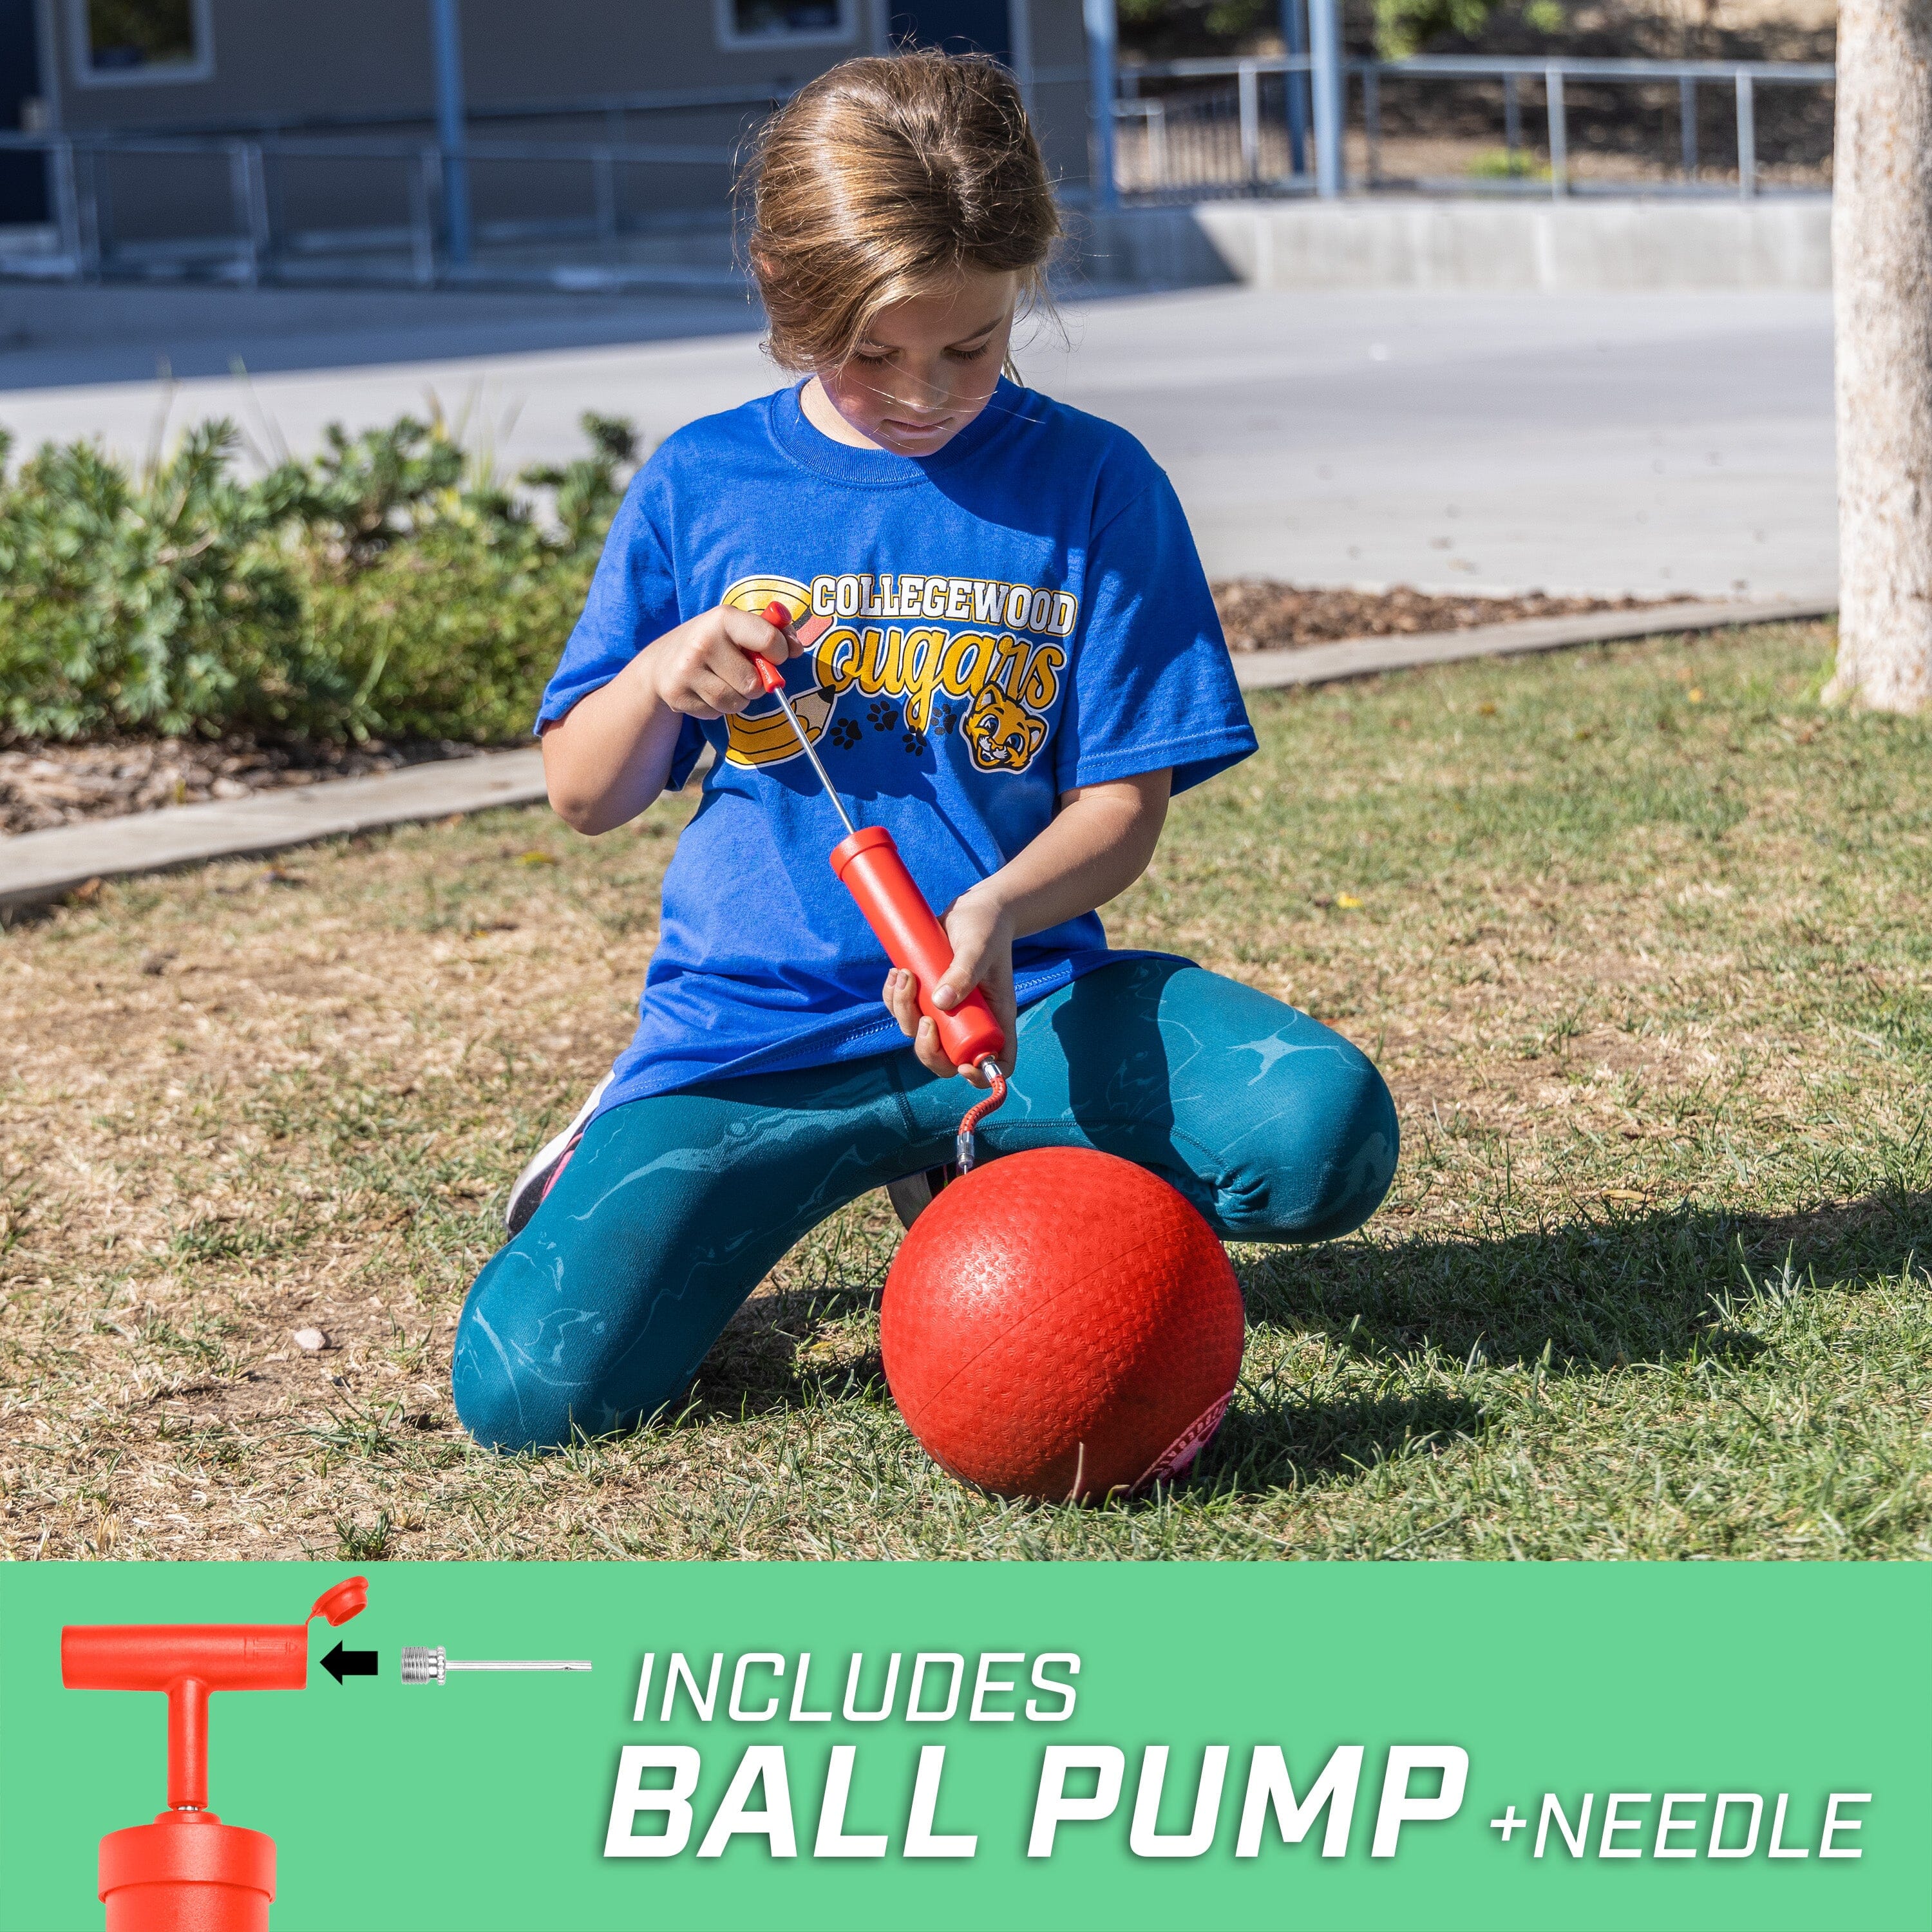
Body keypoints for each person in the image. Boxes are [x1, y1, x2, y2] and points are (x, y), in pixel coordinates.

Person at [452, 50, 1397, 1454]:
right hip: (754, 1033)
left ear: (1025, 286)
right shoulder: (705, 482)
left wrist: (1001, 912)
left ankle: (964, 1153)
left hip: (1019, 1012)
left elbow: (1123, 810)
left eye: (974, 345)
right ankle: (634, 1148)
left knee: (1321, 1136)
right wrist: (666, 672)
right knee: (531, 1399)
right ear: (787, 294)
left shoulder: (1096, 483)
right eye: (875, 352)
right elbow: (585, 795)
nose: (924, 391)